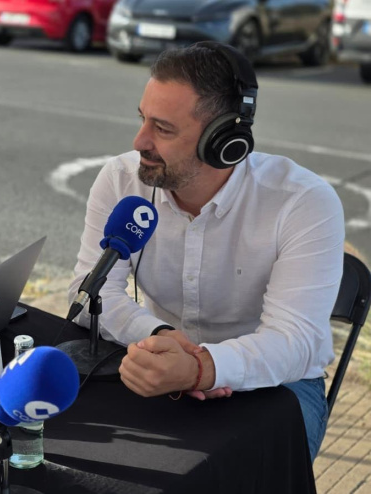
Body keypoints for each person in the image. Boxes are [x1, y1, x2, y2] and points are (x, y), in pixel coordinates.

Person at [68, 42, 344, 460]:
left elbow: (297, 342)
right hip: (158, 362)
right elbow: (93, 292)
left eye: (163, 129)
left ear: (224, 140)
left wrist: (203, 368)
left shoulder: (304, 202)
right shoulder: (121, 179)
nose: (139, 141)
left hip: (276, 383)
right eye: (142, 119)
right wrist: (159, 338)